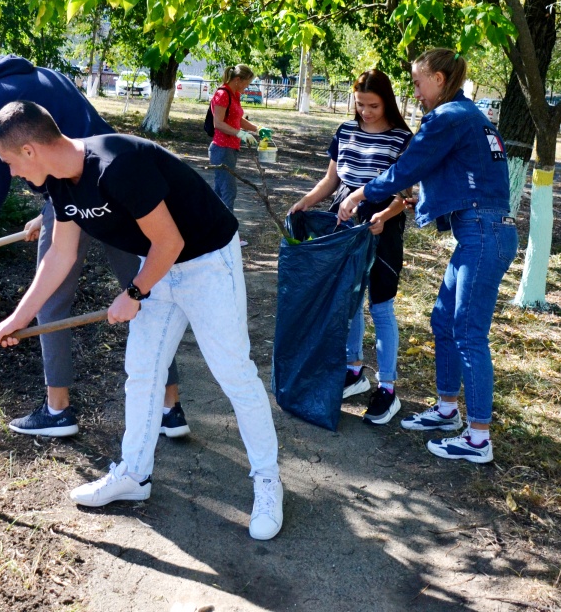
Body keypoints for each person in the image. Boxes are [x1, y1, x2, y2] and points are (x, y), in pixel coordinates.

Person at [0, 101, 284, 540]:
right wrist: (18, 317)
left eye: (9, 162)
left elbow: (172, 240)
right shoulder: (57, 184)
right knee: (142, 372)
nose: (10, 172)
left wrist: (133, 293)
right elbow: (60, 255)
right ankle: (134, 475)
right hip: (159, 265)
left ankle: (267, 480)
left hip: (205, 260)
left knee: (234, 372)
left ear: (30, 150)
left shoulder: (116, 164)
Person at [0, 29, 186, 440]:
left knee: (50, 299)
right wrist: (50, 209)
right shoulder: (47, 75)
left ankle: (57, 410)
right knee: (141, 291)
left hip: (75, 195)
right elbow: (83, 139)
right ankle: (171, 408)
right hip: (111, 187)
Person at [337, 49, 518, 464]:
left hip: (482, 234)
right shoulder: (470, 115)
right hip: (482, 230)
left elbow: (408, 166)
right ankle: (447, 410)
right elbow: (464, 174)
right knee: (443, 321)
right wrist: (421, 197)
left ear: (438, 79)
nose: (415, 92)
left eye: (418, 83)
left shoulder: (448, 116)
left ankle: (478, 439)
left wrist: (364, 192)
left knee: (469, 334)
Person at [288, 69, 412, 425]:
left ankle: (387, 388)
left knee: (381, 305)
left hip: (380, 229)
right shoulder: (344, 131)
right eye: (360, 105)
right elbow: (331, 180)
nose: (366, 112)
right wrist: (305, 202)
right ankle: (354, 370)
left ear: (387, 101)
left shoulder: (403, 139)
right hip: (343, 221)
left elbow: (405, 196)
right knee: (349, 299)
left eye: (373, 105)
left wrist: (385, 218)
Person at [208, 64, 261, 244]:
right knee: (228, 191)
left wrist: (256, 129)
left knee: (219, 193)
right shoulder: (222, 94)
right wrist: (239, 133)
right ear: (237, 80)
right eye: (246, 83)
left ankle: (213, 233)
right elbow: (219, 123)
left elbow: (237, 119)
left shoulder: (234, 94)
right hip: (221, 149)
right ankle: (229, 238)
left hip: (230, 149)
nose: (247, 87)